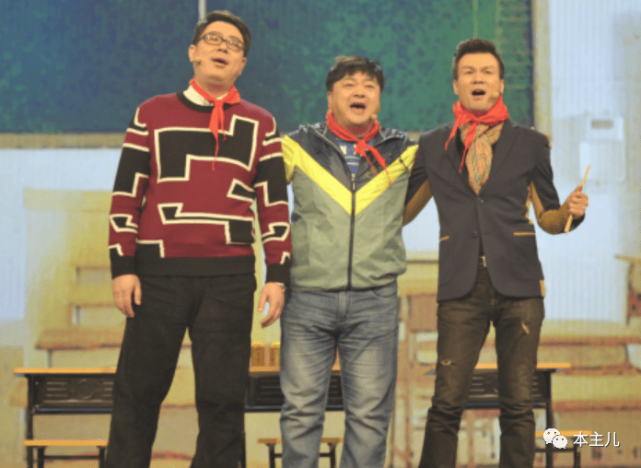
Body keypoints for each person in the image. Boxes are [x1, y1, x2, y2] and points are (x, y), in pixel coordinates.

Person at [106, 10, 291, 468]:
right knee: (137, 394)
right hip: (156, 276)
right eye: (212, 39)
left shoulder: (261, 123)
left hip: (230, 279)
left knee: (223, 400)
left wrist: (277, 274)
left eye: (234, 44)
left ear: (242, 64)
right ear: (193, 52)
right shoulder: (151, 113)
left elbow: (273, 206)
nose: (223, 47)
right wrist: (122, 267)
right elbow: (127, 195)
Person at [404, 38, 589, 468]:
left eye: (487, 72)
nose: (478, 79)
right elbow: (402, 211)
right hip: (460, 285)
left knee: (518, 404)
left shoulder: (531, 143)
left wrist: (571, 212)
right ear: (456, 85)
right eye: (468, 72)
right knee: (446, 402)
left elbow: (549, 216)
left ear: (500, 83)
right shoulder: (432, 145)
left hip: (519, 285)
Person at [279, 55, 419, 468]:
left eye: (369, 86)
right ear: (330, 96)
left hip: (375, 301)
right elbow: (254, 189)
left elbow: (459, 163)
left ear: (379, 99)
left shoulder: (404, 151)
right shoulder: (297, 145)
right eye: (349, 84)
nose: (359, 91)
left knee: (370, 417)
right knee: (301, 413)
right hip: (306, 298)